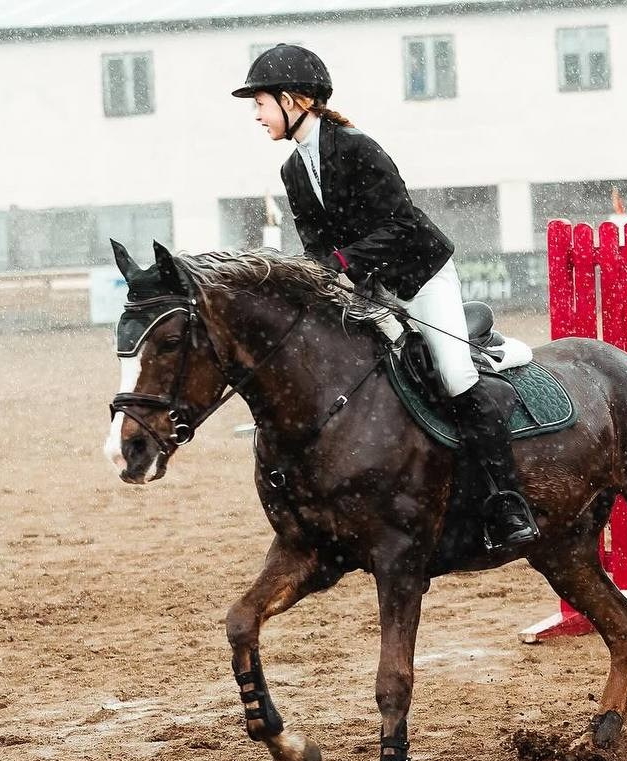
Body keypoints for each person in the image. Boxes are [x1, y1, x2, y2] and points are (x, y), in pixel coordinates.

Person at [231, 44, 539, 548]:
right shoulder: (292, 172)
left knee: (455, 375)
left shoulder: (357, 148)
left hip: (419, 276)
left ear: (295, 101)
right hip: (371, 287)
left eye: (260, 103)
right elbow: (316, 247)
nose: (257, 115)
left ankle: (507, 501)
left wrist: (344, 265)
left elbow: (399, 225)